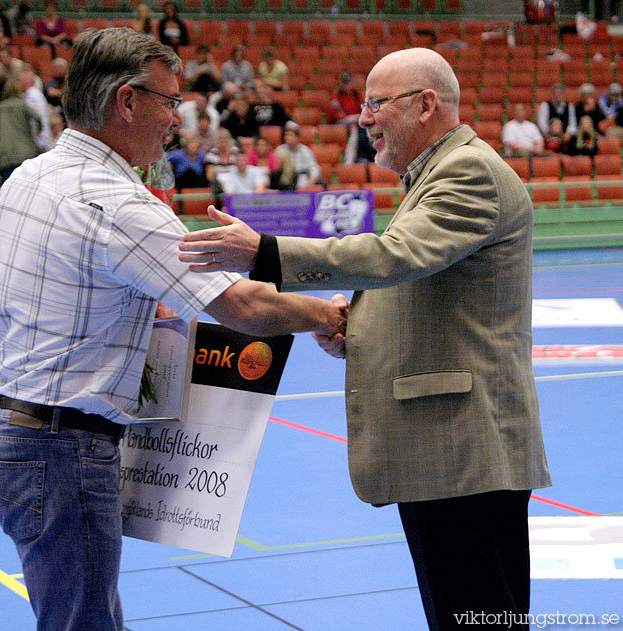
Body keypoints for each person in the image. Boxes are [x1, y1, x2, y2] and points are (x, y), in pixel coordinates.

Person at [0, 29, 345, 631]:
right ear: (126, 101)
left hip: (10, 435)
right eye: (170, 102)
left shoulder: (29, 176)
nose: (176, 119)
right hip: (62, 452)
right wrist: (329, 315)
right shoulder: (115, 202)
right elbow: (241, 307)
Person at [178, 47, 551, 631]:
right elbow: (421, 282)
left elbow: (395, 258)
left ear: (426, 104)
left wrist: (265, 252)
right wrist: (359, 330)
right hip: (450, 451)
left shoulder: (468, 171)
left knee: (478, 616)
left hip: (462, 451)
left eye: (377, 103)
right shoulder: (435, 173)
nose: (364, 117)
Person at [0, 78, 40, 183]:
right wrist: (38, 132)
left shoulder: (0, 108)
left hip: (6, 155)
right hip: (25, 153)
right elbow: (37, 117)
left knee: (7, 185)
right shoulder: (22, 105)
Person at [274, 121, 321, 189]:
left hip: (304, 176)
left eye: (290, 135)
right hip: (288, 180)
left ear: (297, 138)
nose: (287, 137)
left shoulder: (305, 150)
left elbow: (314, 168)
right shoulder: (280, 150)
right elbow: (275, 169)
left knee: (321, 182)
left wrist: (311, 181)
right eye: (286, 135)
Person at [20, 68, 50, 151]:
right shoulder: (28, 95)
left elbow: (40, 118)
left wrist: (40, 141)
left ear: (25, 82)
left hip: (38, 141)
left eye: (20, 81)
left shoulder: (34, 96)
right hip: (35, 139)